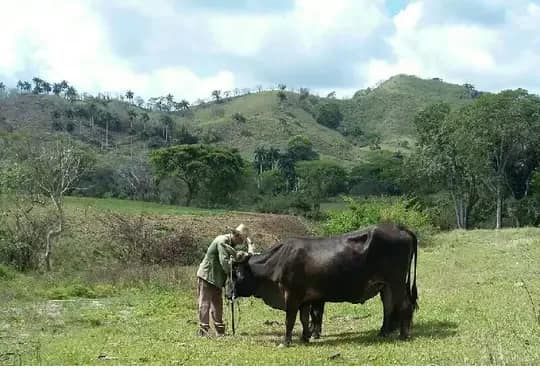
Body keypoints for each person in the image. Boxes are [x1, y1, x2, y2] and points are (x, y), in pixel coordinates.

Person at [196, 223, 255, 336]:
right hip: (207, 275)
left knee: (217, 303)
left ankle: (220, 330)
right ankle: (203, 330)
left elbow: (235, 256)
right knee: (205, 303)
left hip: (217, 278)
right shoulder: (222, 241)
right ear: (236, 236)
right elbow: (225, 262)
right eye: (241, 240)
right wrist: (234, 272)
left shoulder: (229, 244)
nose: (240, 243)